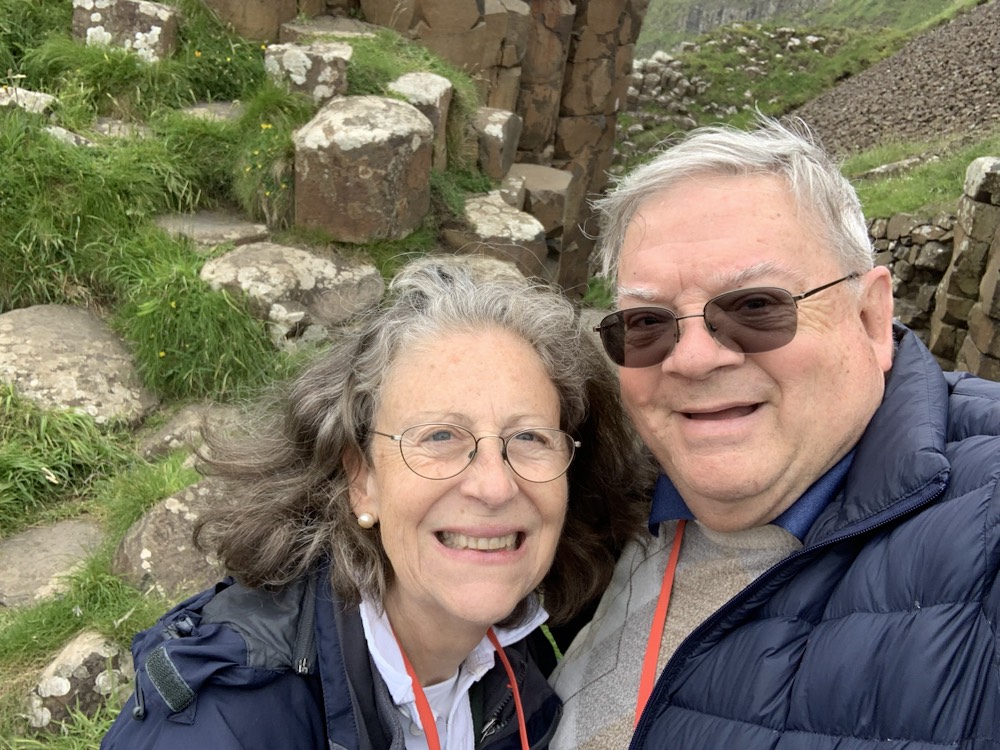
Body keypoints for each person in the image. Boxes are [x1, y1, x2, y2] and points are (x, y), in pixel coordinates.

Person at [549, 115, 1000, 750]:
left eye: (756, 306)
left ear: (871, 317)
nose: (693, 359)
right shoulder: (595, 492)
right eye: (646, 322)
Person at [100, 257, 649, 750]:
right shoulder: (225, 722)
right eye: (439, 437)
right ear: (362, 479)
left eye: (530, 437)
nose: (495, 487)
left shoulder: (520, 656)